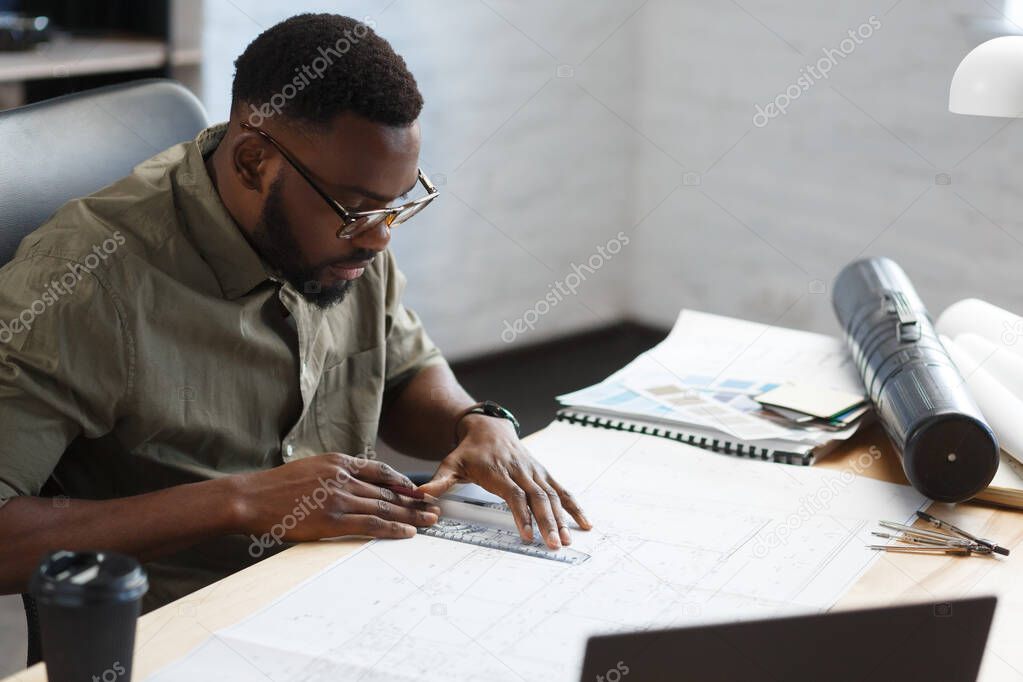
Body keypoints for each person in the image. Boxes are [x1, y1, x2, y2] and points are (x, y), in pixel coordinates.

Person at [0, 13, 590, 610]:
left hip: (344, 592)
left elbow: (404, 370)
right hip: (183, 629)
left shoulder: (353, 232)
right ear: (254, 162)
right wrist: (242, 502)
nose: (380, 238)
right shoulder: (83, 282)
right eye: (360, 209)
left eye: (396, 206)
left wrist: (476, 422)